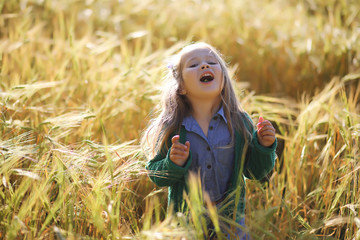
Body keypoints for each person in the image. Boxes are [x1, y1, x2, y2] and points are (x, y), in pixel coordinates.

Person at [142, 42, 277, 239]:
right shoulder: (173, 127)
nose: (204, 66)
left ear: (223, 79)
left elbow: (255, 172)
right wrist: (173, 163)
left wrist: (264, 147)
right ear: (180, 87)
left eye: (212, 62)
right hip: (187, 222)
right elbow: (156, 175)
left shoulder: (239, 122)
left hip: (231, 222)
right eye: (194, 65)